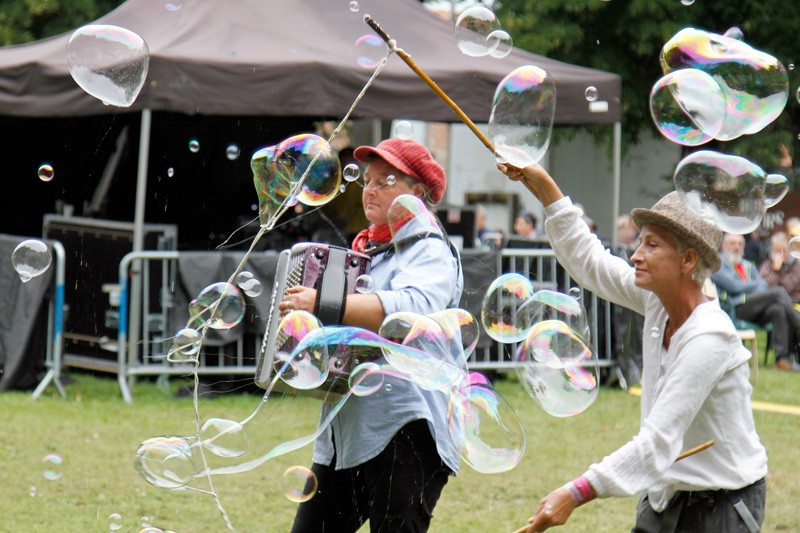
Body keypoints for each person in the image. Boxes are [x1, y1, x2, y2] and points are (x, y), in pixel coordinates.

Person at [497, 162, 767, 532]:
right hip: (663, 493)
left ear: (688, 259)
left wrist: (576, 492)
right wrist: (544, 187)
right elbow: (590, 261)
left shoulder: (710, 336)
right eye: (640, 241)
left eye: (652, 245)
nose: (636, 255)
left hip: (721, 504)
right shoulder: (658, 300)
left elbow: (656, 443)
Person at [281, 138, 463, 532]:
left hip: (408, 429)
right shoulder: (367, 250)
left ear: (418, 193)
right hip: (349, 427)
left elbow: (410, 310)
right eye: (367, 180)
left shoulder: (428, 248)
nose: (370, 189)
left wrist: (324, 304)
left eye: (386, 180)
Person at [712, 232, 800, 371]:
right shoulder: (718, 264)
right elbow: (734, 287)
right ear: (723, 246)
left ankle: (781, 360)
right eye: (733, 243)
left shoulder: (748, 265)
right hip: (735, 308)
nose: (737, 247)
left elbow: (763, 286)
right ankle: (798, 323)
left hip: (752, 306)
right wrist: (751, 285)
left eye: (740, 244)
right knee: (777, 292)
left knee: (778, 309)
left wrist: (746, 285)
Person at [759, 231, 800, 303]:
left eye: (784, 250)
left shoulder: (797, 264)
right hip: (773, 303)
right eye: (778, 251)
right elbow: (764, 286)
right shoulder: (766, 265)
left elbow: (787, 287)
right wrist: (776, 271)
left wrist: (779, 271)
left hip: (794, 302)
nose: (782, 254)